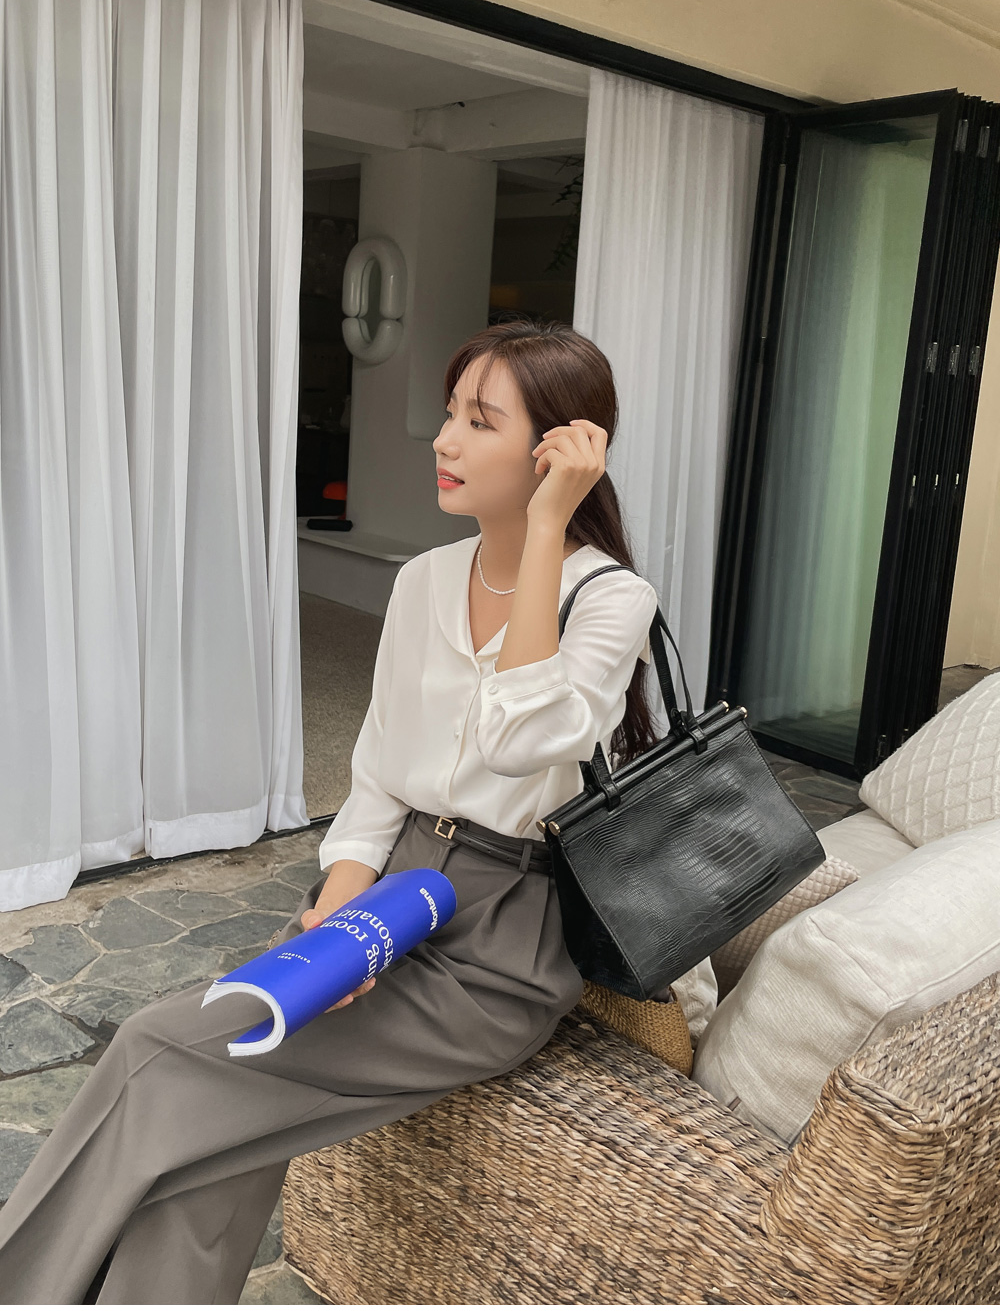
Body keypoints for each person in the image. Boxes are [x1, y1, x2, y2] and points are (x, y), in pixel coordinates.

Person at [0, 319, 661, 1304]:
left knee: (152, 1051)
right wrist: (339, 906)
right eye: (449, 412)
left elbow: (522, 739)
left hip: (499, 949)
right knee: (207, 1149)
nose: (444, 439)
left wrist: (548, 531)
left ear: (556, 449)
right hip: (389, 893)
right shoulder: (423, 582)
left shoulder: (610, 598)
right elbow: (378, 775)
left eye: (480, 421)